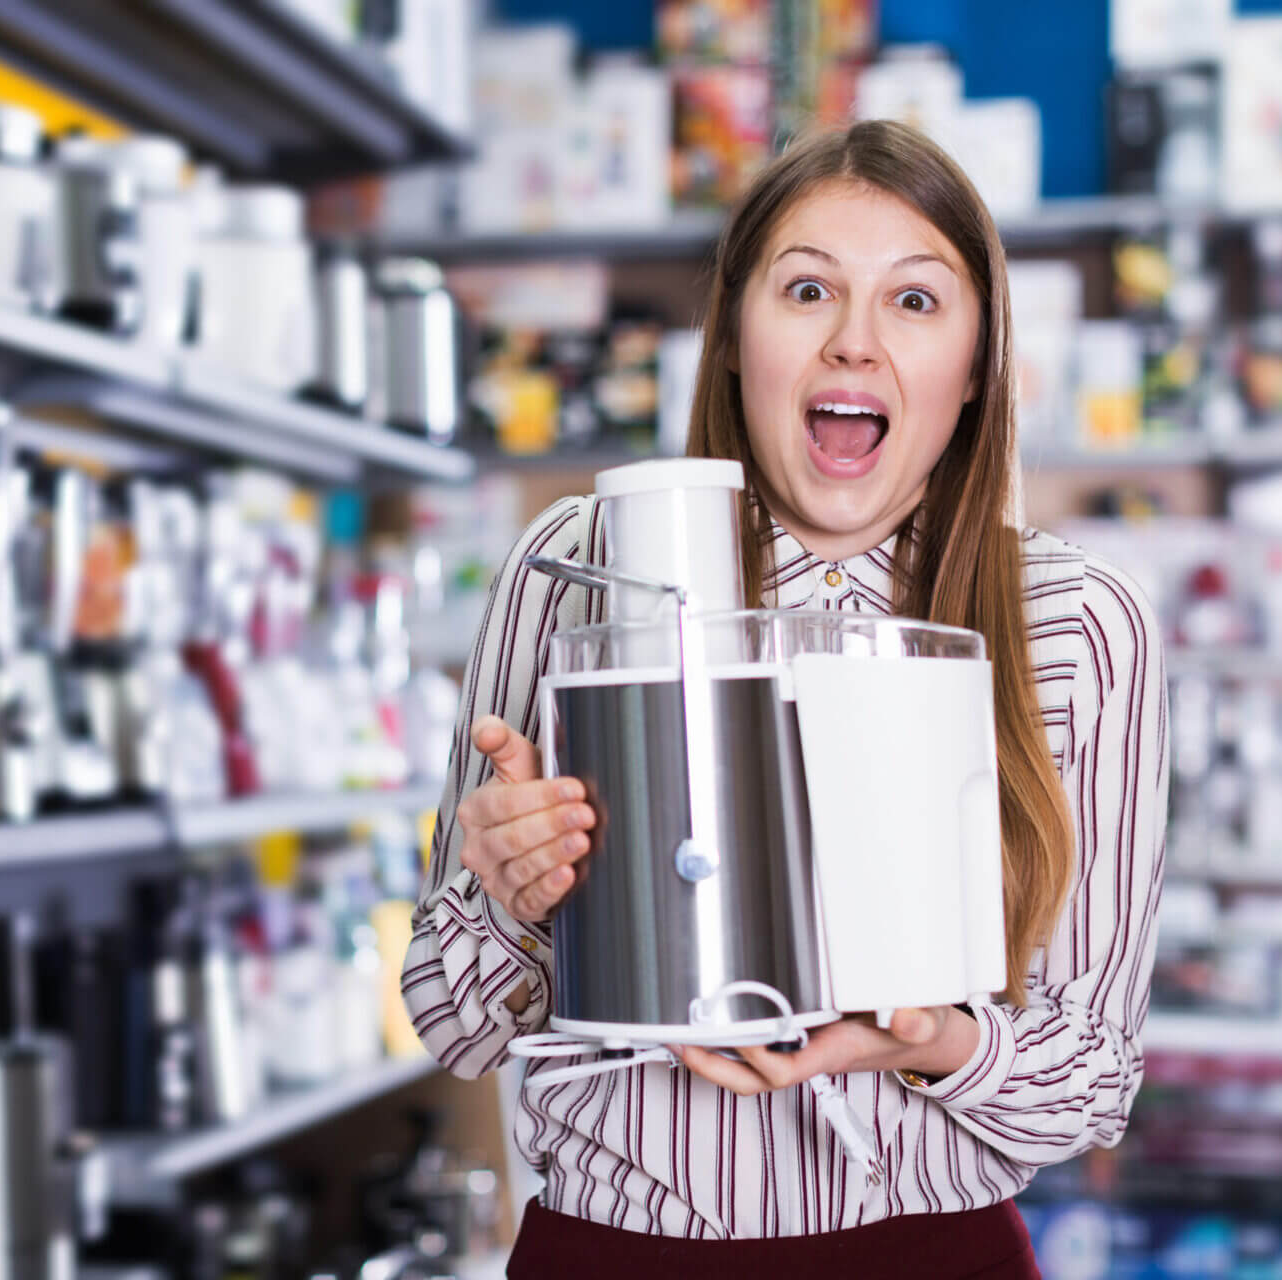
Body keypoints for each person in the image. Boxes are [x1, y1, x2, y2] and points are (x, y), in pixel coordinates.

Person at [401, 119, 1169, 1279]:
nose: (854, 343)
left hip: (931, 1256)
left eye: (915, 302)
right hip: (615, 1253)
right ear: (731, 343)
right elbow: (451, 1020)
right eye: (808, 289)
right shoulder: (579, 565)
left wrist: (926, 1039)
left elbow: (1093, 1084)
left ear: (974, 369)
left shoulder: (1076, 621)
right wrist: (515, 893)